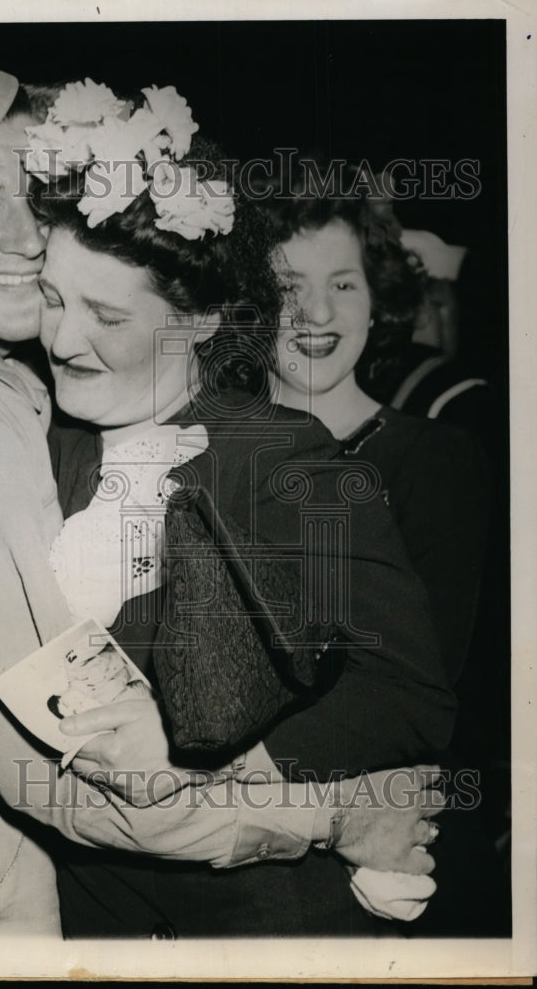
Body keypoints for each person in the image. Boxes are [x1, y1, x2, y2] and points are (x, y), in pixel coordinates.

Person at [0, 74, 454, 937]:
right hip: (87, 911)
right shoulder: (44, 432)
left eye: (105, 316)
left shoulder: (279, 454)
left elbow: (408, 691)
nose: (62, 339)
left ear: (194, 323)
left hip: (258, 917)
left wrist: (232, 767)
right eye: (52, 298)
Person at [256, 172, 508, 935]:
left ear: (378, 298)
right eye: (288, 285)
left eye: (344, 283)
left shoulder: (435, 458)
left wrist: (228, 775)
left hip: (378, 863)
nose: (318, 313)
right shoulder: (204, 446)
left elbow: (424, 686)